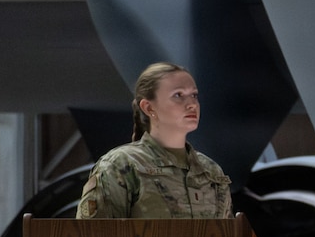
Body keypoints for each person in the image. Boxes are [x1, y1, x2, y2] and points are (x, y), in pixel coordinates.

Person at [77, 62, 233, 219]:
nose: (192, 104)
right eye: (178, 95)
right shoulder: (121, 165)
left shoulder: (211, 171)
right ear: (149, 108)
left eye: (194, 95)